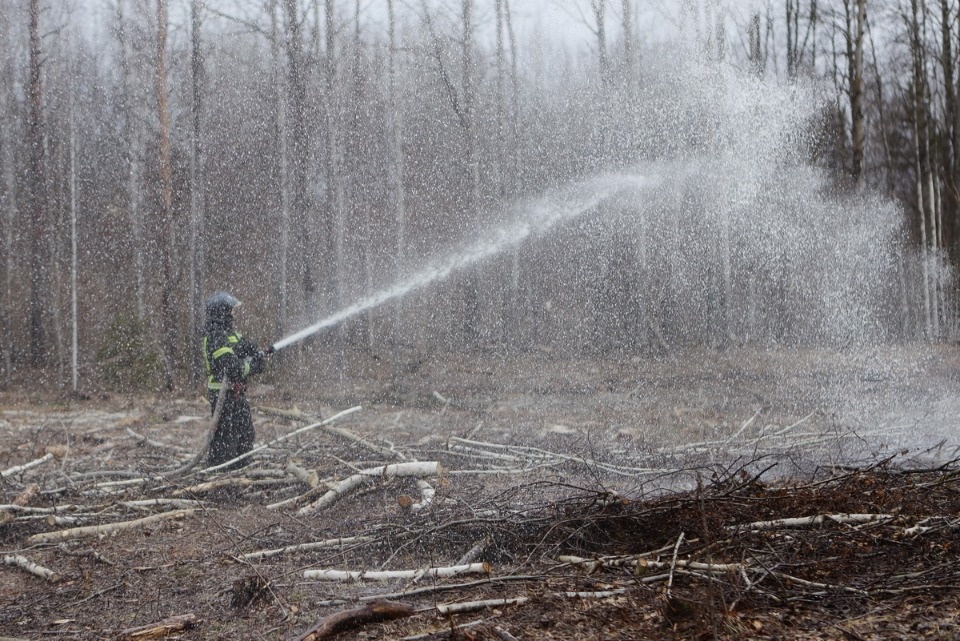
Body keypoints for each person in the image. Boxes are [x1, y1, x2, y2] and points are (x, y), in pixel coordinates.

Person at [201, 291, 271, 468]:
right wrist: (251, 366)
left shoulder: (231, 334)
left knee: (246, 433)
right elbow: (233, 368)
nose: (234, 314)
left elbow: (248, 350)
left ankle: (242, 469)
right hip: (222, 395)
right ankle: (219, 472)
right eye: (231, 311)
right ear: (222, 313)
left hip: (237, 394)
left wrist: (255, 355)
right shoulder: (215, 337)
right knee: (225, 437)